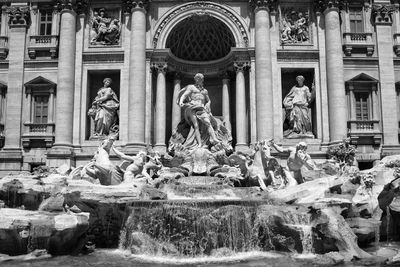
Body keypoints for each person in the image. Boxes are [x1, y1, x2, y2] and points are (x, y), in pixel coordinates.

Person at [178, 73, 219, 148]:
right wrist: (181, 101)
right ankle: (199, 143)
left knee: (208, 122)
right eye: (197, 79)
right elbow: (184, 95)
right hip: (192, 107)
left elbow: (209, 100)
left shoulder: (205, 91)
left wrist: (208, 104)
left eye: (199, 79)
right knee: (196, 126)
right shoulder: (191, 88)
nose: (198, 80)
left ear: (202, 80)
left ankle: (214, 139)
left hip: (202, 108)